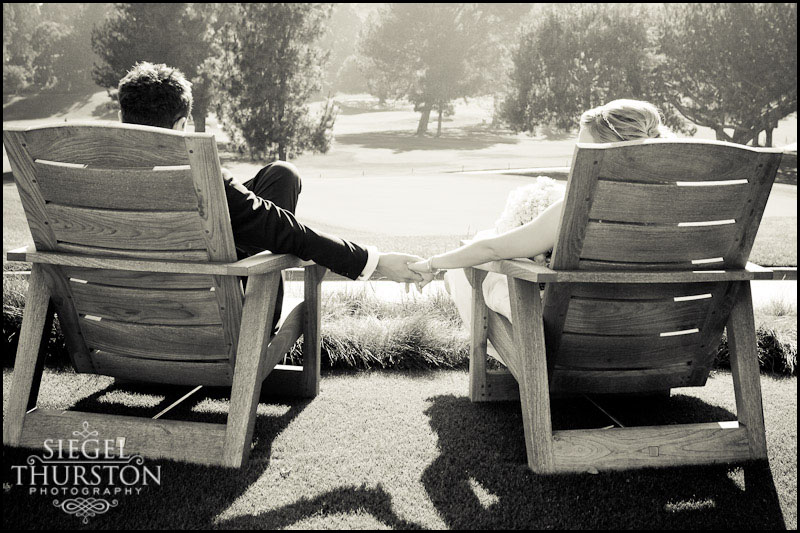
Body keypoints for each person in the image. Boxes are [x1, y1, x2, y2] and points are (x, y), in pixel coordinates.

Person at [117, 62, 426, 330]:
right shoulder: (202, 179)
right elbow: (287, 232)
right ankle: (259, 307)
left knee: (281, 175)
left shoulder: (86, 176)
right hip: (218, 318)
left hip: (129, 317)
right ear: (181, 125)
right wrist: (377, 261)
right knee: (275, 221)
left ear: (123, 118)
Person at [408, 99, 670, 326]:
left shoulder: (583, 205)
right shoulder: (677, 206)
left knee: (466, 270)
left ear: (612, 153)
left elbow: (493, 250)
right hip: (655, 330)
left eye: (585, 153)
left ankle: (528, 372)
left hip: (579, 334)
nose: (576, 162)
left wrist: (432, 264)